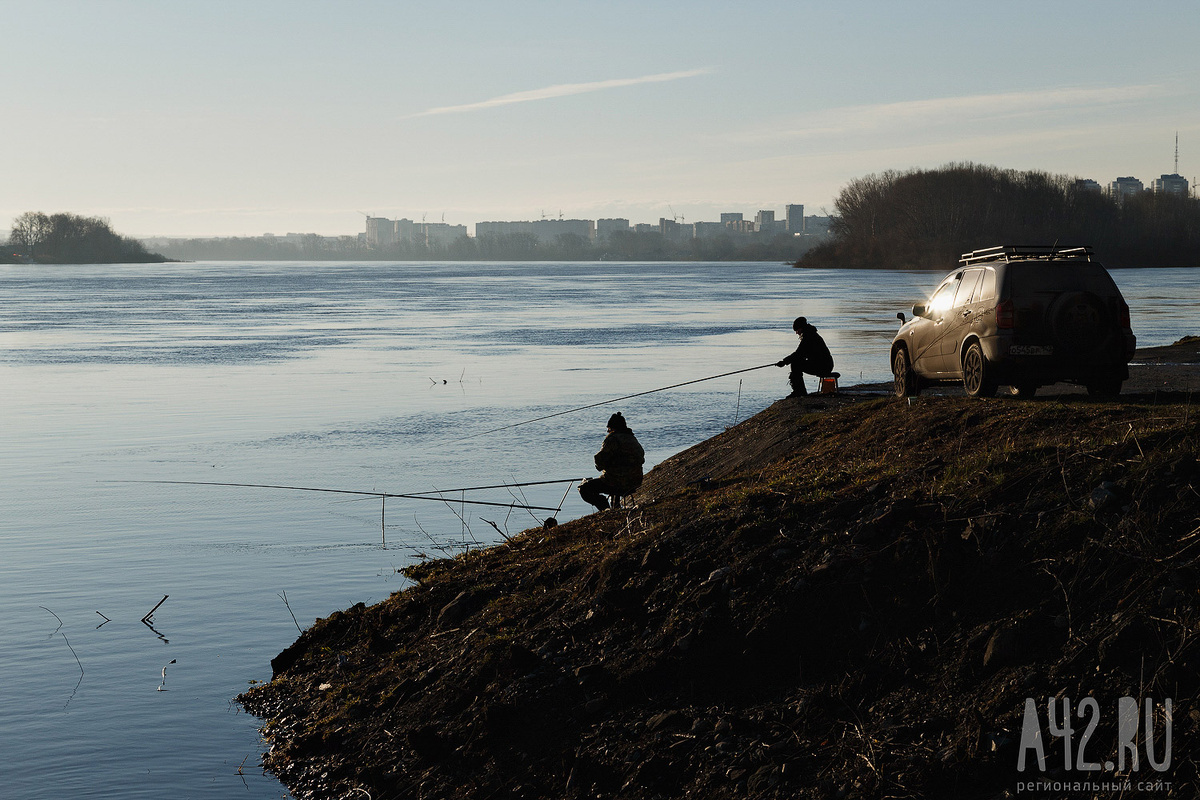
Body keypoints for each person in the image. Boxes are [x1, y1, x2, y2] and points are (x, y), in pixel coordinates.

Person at [578, 412, 645, 511]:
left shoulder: (612, 439)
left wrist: (603, 465)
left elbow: (599, 462)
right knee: (615, 477)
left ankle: (605, 509)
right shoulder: (632, 439)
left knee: (584, 488)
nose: (607, 431)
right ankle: (615, 507)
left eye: (608, 428)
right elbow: (641, 459)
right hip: (634, 481)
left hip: (617, 482)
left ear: (613, 428)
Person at [776, 316, 834, 397]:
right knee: (796, 362)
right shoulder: (810, 334)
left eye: (797, 330)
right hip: (824, 364)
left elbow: (798, 353)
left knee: (795, 364)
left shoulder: (809, 337)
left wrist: (784, 362)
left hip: (823, 366)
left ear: (801, 328)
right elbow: (801, 354)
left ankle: (799, 391)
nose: (797, 333)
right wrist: (785, 361)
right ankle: (799, 391)